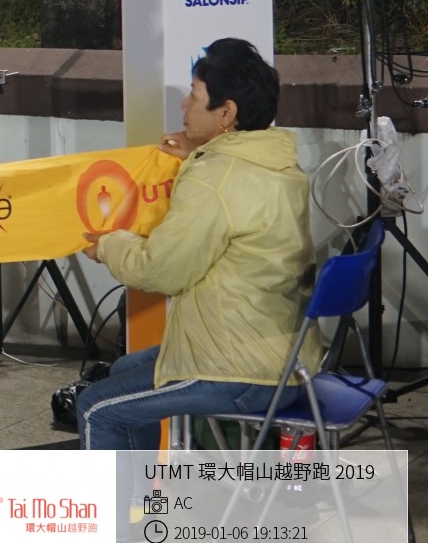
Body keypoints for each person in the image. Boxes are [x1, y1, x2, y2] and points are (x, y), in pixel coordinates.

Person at [74, 37, 315, 451]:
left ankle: (123, 495)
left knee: (98, 407)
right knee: (126, 368)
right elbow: (233, 197)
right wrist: (200, 155)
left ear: (227, 112)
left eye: (194, 95)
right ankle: (140, 488)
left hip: (238, 369)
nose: (184, 105)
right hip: (287, 358)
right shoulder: (278, 165)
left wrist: (109, 244)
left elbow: (159, 271)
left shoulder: (214, 178)